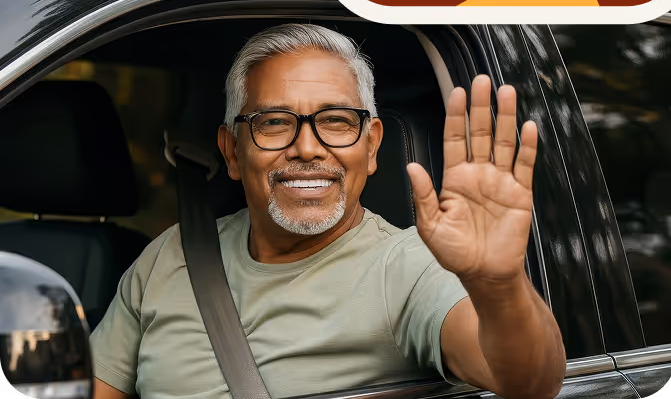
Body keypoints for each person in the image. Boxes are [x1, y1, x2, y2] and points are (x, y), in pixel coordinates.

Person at [89, 24, 565, 399]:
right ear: (232, 151)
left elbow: (530, 382)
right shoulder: (169, 257)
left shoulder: (408, 266)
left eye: (335, 121)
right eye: (274, 122)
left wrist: (498, 285)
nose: (307, 147)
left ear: (371, 146)